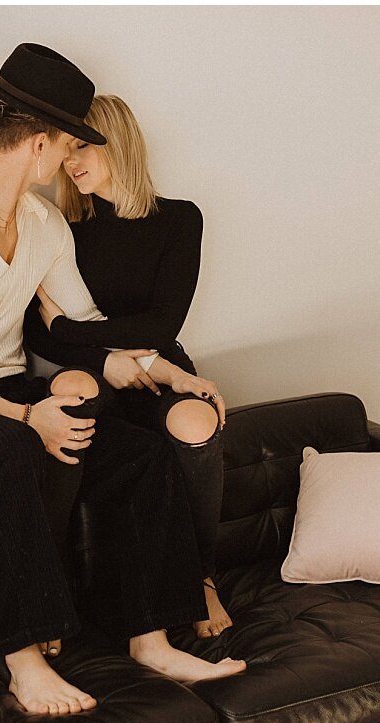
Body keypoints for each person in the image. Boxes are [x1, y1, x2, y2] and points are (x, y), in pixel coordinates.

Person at [0, 43, 242, 716]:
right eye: (65, 146)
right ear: (39, 143)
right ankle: (23, 659)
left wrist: (164, 370)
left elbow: (82, 318)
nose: (68, 163)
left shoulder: (44, 224)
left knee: (140, 454)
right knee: (13, 449)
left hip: (18, 392)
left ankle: (151, 636)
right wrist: (27, 417)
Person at [22, 94, 232, 638]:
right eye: (66, 150)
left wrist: (72, 331)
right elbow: (31, 329)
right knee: (79, 412)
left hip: (156, 362)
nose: (70, 161)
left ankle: (202, 579)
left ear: (118, 142)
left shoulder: (181, 220)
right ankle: (52, 594)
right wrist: (98, 357)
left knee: (196, 422)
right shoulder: (61, 226)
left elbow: (161, 325)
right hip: (91, 373)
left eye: (82, 145)